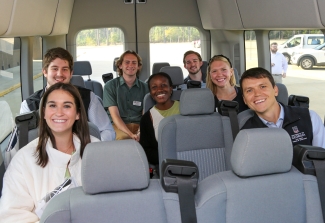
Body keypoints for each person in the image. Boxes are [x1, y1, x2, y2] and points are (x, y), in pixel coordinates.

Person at [0, 83, 100, 222]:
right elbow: (12, 216)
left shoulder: (98, 151)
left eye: (67, 106)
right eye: (52, 105)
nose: (59, 112)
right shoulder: (23, 160)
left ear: (77, 113)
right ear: (44, 113)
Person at [20, 47, 115, 141]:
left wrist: (87, 149)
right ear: (45, 72)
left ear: (71, 73)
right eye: (54, 69)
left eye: (65, 69)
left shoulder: (88, 98)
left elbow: (107, 131)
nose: (60, 74)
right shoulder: (29, 105)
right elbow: (24, 139)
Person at [240, 67, 325, 148]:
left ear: (275, 90)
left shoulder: (310, 118)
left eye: (263, 87)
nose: (257, 94)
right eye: (249, 90)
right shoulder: (246, 134)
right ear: (245, 100)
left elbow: (321, 158)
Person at [103, 50, 149, 141]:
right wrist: (131, 135)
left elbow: (145, 116)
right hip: (118, 126)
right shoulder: (110, 86)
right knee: (123, 139)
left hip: (139, 125)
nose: (131, 65)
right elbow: (115, 115)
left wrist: (140, 132)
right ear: (120, 65)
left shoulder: (146, 87)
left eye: (134, 63)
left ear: (138, 66)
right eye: (127, 62)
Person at [140, 72, 180, 166]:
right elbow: (147, 150)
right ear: (150, 93)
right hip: (166, 165)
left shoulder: (186, 108)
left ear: (171, 88)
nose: (159, 90)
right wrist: (168, 158)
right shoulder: (146, 119)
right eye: (154, 87)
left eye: (164, 85)